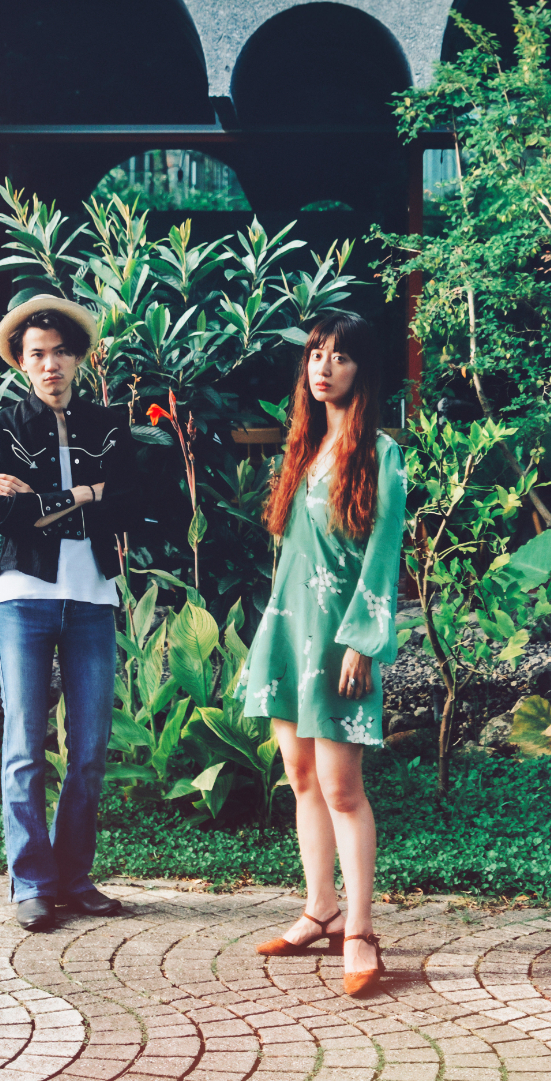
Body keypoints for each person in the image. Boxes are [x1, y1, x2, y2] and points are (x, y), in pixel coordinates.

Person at [238, 311, 405, 998]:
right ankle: (321, 908)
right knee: (301, 778)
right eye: (315, 352)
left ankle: (361, 928)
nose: (323, 364)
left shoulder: (382, 452)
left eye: (338, 354)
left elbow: (384, 552)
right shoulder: (304, 445)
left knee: (342, 787)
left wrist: (362, 642)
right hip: (289, 629)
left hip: (341, 639)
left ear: (361, 368)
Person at [0, 295, 142, 932]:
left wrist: (47, 498)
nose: (50, 366)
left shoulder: (108, 425)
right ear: (22, 362)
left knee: (91, 748)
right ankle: (31, 882)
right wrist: (85, 494)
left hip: (91, 599)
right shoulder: (4, 427)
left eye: (60, 353)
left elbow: (129, 505)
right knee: (24, 746)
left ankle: (74, 878)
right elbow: (3, 517)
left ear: (79, 357)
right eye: (36, 355)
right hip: (23, 597)